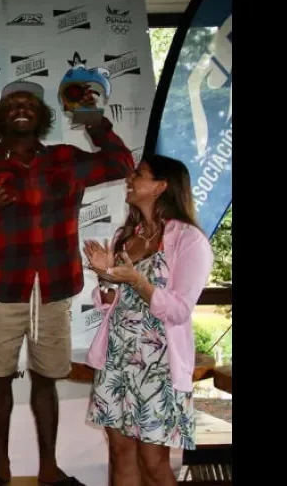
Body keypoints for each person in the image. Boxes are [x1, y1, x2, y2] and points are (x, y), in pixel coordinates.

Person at [0, 80, 135, 486]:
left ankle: (49, 469)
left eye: (29, 102)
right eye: (12, 102)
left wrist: (92, 118)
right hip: (4, 288)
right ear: (0, 116)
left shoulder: (66, 159)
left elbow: (122, 164)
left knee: (46, 379)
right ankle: (1, 469)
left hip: (53, 289)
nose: (20, 107)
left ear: (42, 114)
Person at [82, 155, 213, 486]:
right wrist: (105, 276)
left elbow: (180, 310)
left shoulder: (188, 239)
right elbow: (112, 302)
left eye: (138, 174)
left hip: (159, 366)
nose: (130, 178)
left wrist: (137, 281)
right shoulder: (126, 234)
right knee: (119, 453)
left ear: (160, 186)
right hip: (118, 359)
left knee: (153, 462)